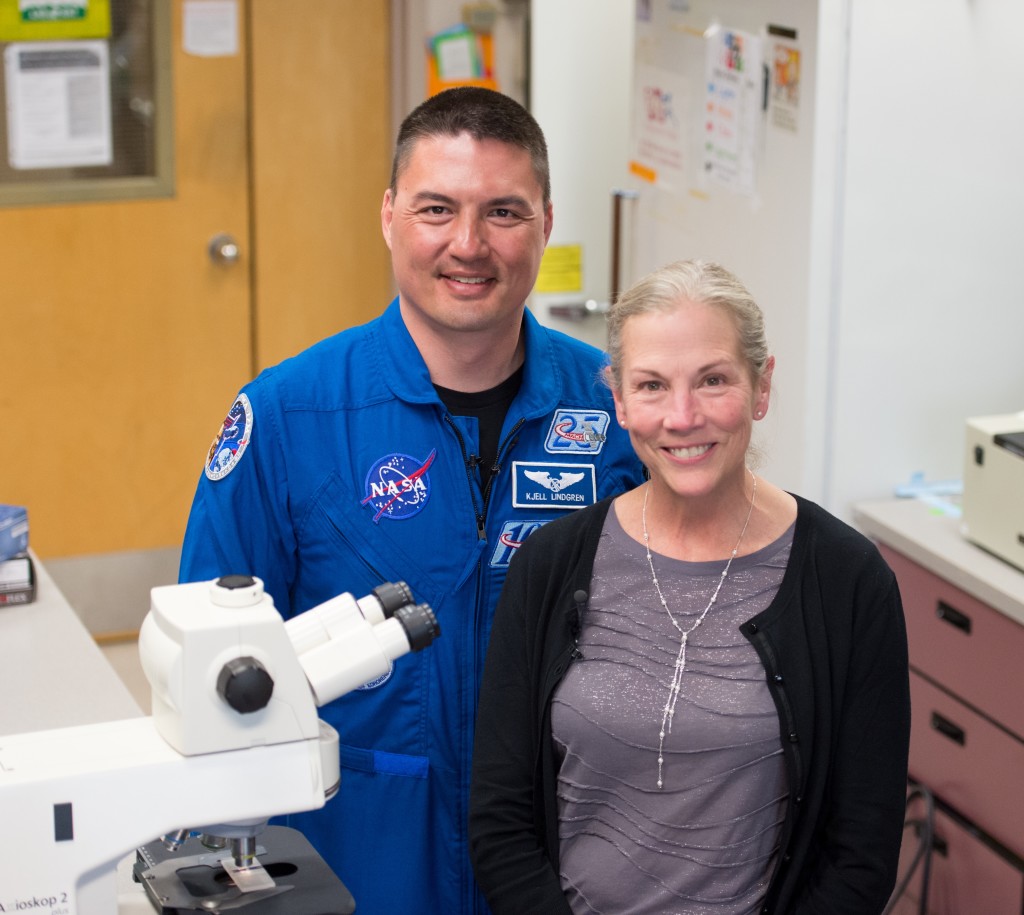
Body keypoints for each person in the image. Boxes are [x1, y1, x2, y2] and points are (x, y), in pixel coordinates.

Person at [177, 86, 644, 914]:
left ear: (544, 221)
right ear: (390, 214)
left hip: (564, 850)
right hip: (357, 852)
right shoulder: (289, 415)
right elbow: (208, 673)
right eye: (437, 208)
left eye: (503, 211)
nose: (468, 245)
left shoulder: (614, 409)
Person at [469, 259, 911, 914]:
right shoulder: (551, 565)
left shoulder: (848, 581)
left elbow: (861, 853)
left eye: (713, 380)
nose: (682, 416)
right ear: (618, 400)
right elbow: (499, 819)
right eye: (652, 385)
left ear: (761, 386)